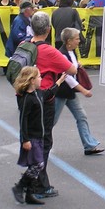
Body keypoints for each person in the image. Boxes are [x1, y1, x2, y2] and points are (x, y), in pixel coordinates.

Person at [29, 12, 77, 198]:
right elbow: (71, 69)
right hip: (44, 99)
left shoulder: (24, 45)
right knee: (43, 142)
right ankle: (38, 185)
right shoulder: (49, 50)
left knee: (33, 140)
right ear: (48, 30)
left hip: (26, 97)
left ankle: (37, 181)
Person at [12, 67, 67, 205]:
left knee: (36, 164)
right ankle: (19, 186)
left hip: (39, 136)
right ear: (31, 81)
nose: (41, 79)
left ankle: (30, 193)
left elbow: (50, 93)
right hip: (32, 137)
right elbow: (23, 120)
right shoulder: (27, 99)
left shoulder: (39, 93)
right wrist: (25, 139)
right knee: (38, 164)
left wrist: (59, 81)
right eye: (39, 77)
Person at [54, 28, 104, 156]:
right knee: (51, 120)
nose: (79, 41)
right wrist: (83, 90)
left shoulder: (71, 52)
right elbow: (67, 77)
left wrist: (78, 65)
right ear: (69, 41)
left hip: (69, 93)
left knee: (81, 116)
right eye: (76, 38)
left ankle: (89, 145)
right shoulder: (62, 54)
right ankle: (39, 143)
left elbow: (72, 68)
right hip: (61, 92)